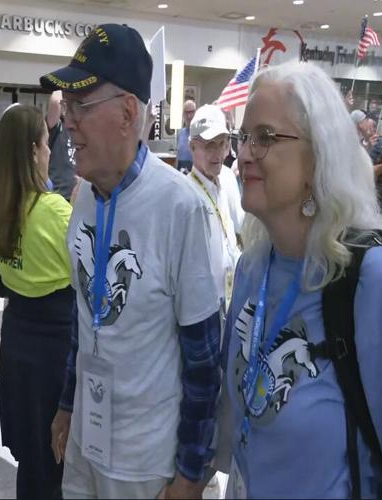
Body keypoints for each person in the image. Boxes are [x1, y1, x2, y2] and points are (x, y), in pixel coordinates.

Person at [209, 61, 382, 498]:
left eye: (265, 137)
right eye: (244, 136)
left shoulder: (374, 282)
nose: (244, 152)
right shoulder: (254, 267)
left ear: (317, 156)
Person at [40, 24, 222, 499]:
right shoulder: (84, 196)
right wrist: (67, 403)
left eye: (81, 105)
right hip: (86, 439)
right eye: (68, 106)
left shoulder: (181, 208)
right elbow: (84, 317)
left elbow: (204, 358)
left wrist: (190, 474)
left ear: (126, 113)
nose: (68, 121)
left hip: (146, 462)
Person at [0, 104, 73, 499]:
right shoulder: (54, 211)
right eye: (46, 142)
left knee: (32, 460)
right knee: (56, 459)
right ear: (34, 151)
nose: (51, 150)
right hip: (55, 347)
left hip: (17, 339)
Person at [186, 104, 241, 309]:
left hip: (229, 297)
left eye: (222, 144)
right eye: (210, 145)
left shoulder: (225, 180)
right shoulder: (186, 195)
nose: (218, 153)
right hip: (203, 307)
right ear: (192, 147)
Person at [46, 91, 77, 201]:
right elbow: (55, 100)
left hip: (77, 196)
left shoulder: (81, 129)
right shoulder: (57, 128)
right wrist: (70, 86)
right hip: (59, 196)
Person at [176, 99, 197, 172]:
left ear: (195, 113)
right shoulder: (180, 133)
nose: (189, 116)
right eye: (186, 112)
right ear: (183, 114)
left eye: (191, 112)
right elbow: (178, 156)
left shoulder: (200, 134)